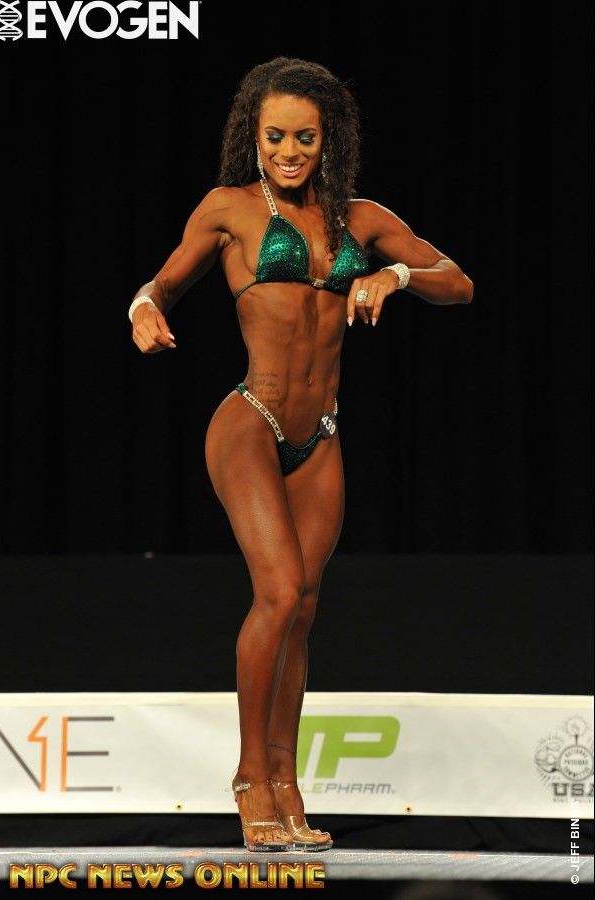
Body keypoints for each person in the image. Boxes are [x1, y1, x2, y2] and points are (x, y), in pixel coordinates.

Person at [128, 56, 473, 853]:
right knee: (279, 592)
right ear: (253, 137)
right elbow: (160, 285)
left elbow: (457, 281)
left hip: (320, 435)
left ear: (329, 141)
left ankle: (286, 783)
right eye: (275, 136)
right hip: (249, 419)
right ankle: (250, 777)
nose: (290, 151)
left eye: (306, 138)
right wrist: (142, 310)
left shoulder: (361, 219)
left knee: (305, 608)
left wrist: (394, 275)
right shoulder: (228, 209)